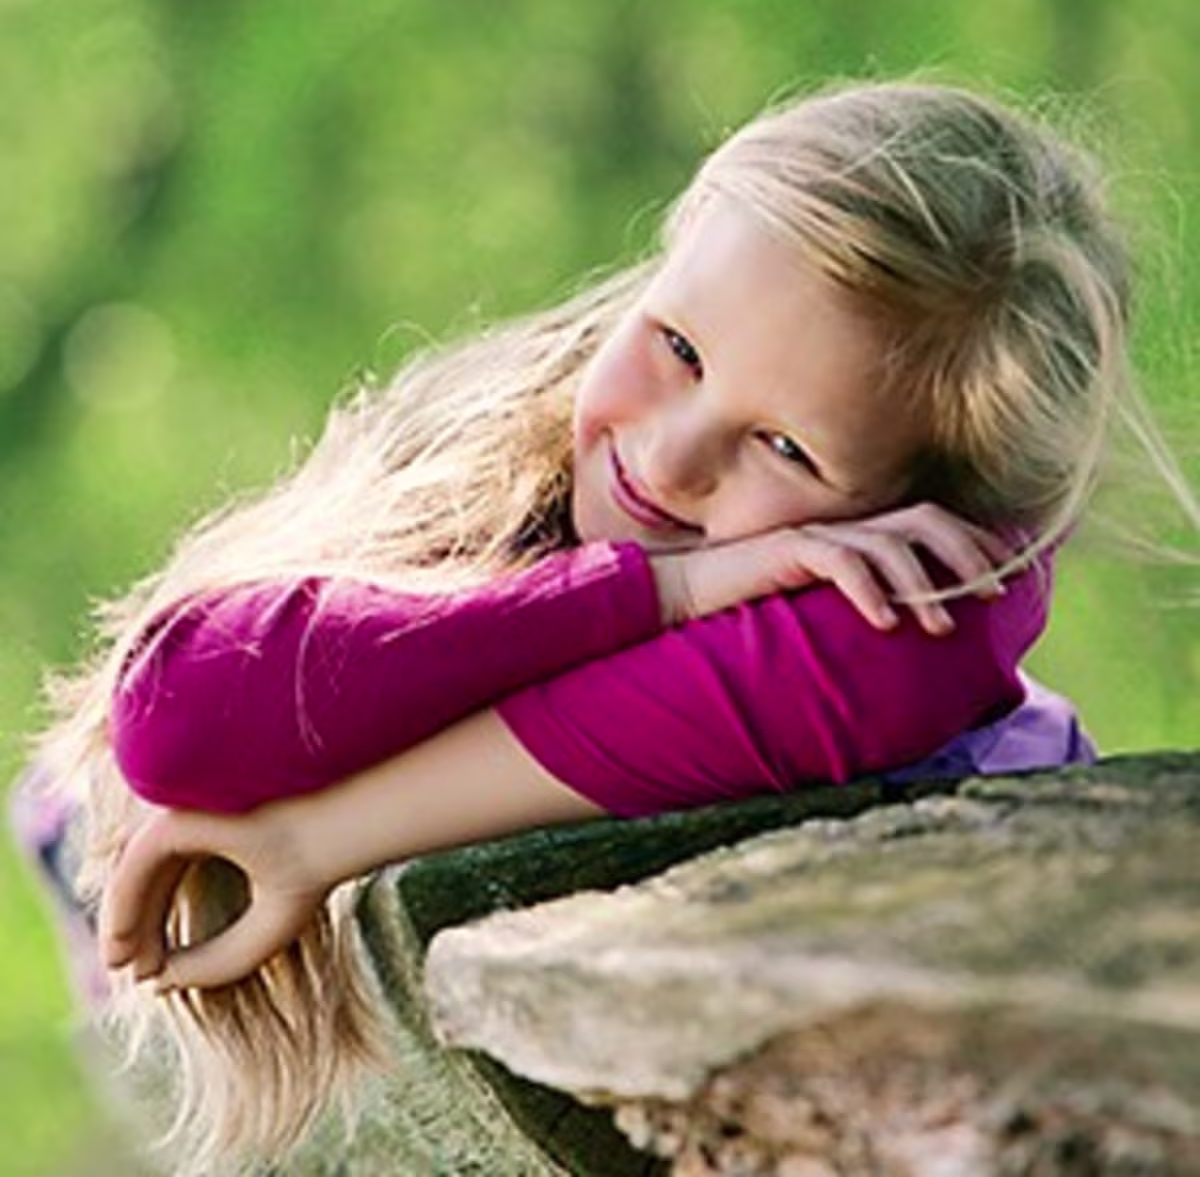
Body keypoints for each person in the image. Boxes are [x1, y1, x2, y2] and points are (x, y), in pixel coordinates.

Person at [32, 78, 1195, 1168]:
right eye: (678, 346)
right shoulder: (481, 465)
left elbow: (928, 648)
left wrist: (313, 844)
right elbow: (182, 716)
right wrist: (665, 591)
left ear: (929, 517)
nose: (671, 458)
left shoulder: (901, 626)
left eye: (787, 449)